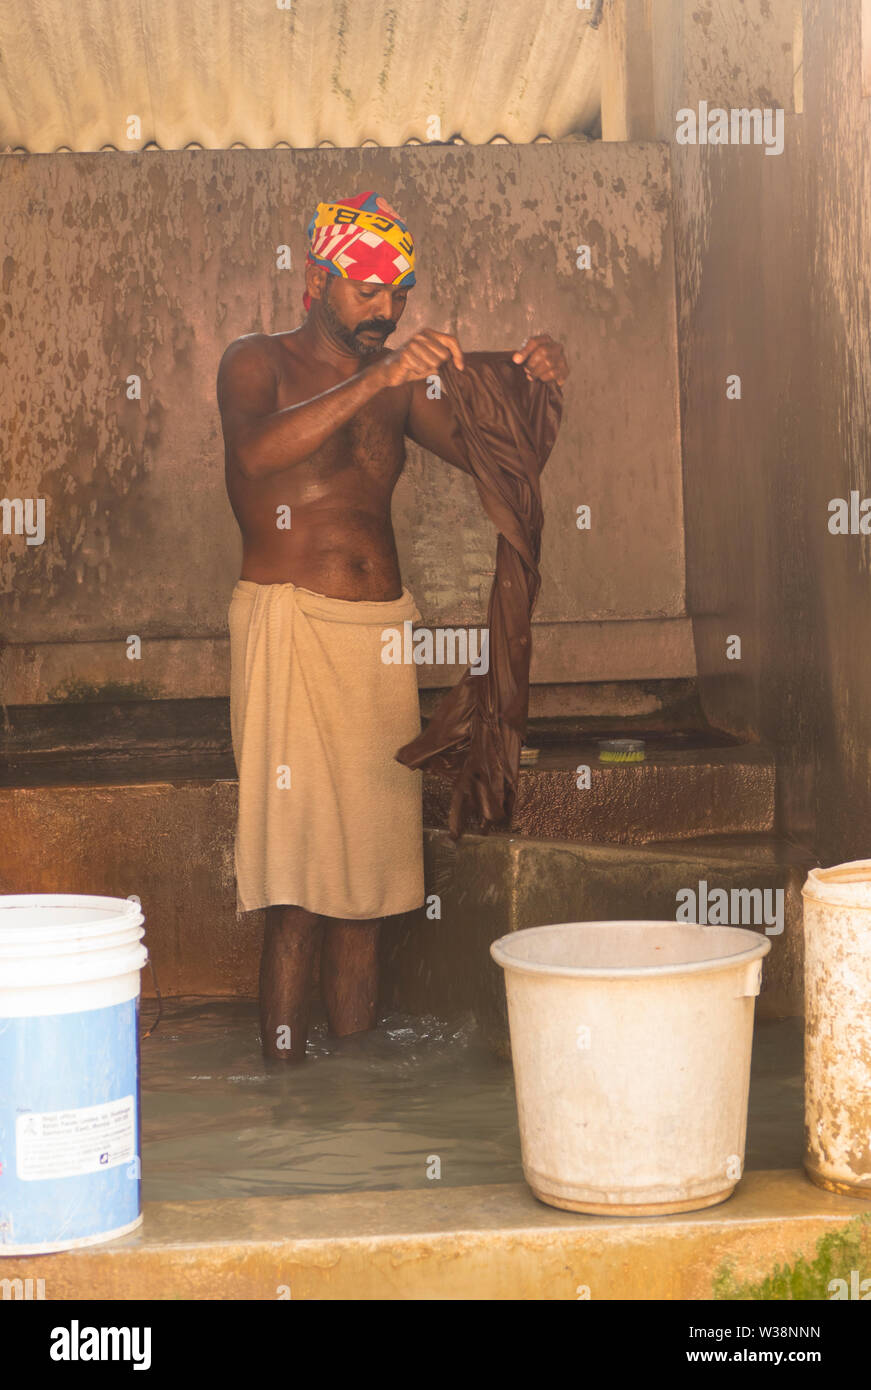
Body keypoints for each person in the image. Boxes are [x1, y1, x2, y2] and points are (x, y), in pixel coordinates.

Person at [217, 191, 568, 1062]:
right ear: (315, 278)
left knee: (370, 890)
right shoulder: (254, 361)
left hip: (377, 639)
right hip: (290, 627)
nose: (386, 309)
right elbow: (253, 454)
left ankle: (355, 1108)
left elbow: (506, 461)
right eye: (367, 290)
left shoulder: (401, 390)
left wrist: (538, 384)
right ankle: (286, 1090)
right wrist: (377, 376)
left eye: (398, 292)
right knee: (297, 889)